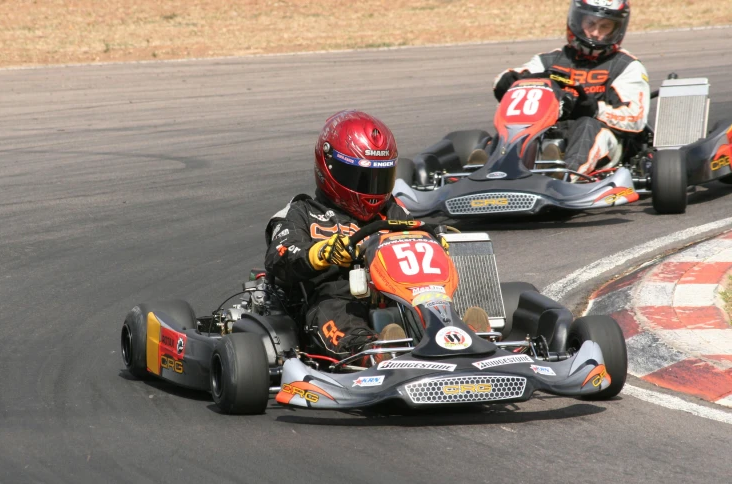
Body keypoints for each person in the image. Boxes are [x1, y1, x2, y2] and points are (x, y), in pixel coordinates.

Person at [264, 110, 490, 362]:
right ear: (329, 167)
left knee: (427, 300)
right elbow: (279, 256)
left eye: (379, 178)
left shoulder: (393, 211)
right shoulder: (302, 212)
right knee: (335, 309)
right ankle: (371, 352)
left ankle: (459, 334)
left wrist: (435, 244)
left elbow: (417, 242)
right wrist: (322, 253)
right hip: (334, 299)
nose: (371, 189)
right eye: (361, 178)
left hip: (397, 298)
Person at [491, 0, 649, 177]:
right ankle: (489, 168)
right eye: (591, 24)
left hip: (602, 138)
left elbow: (636, 119)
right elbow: (508, 80)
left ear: (617, 29)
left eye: (605, 26)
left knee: (587, 125)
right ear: (577, 21)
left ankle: (565, 176)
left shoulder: (626, 66)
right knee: (516, 125)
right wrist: (509, 81)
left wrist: (595, 110)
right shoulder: (549, 61)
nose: (596, 33)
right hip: (549, 132)